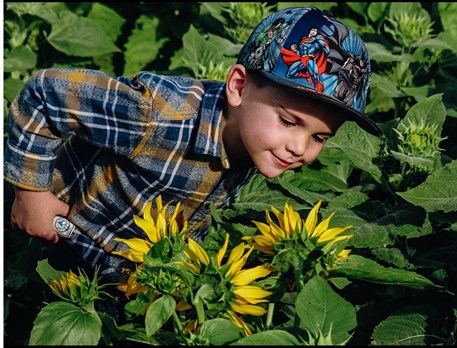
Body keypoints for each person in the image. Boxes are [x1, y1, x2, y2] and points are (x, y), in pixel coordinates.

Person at [4, 7, 380, 302]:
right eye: (287, 121)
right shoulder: (160, 115)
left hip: (122, 273)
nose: (299, 148)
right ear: (238, 86)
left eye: (320, 137)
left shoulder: (252, 142)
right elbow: (44, 93)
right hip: (50, 239)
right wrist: (30, 193)